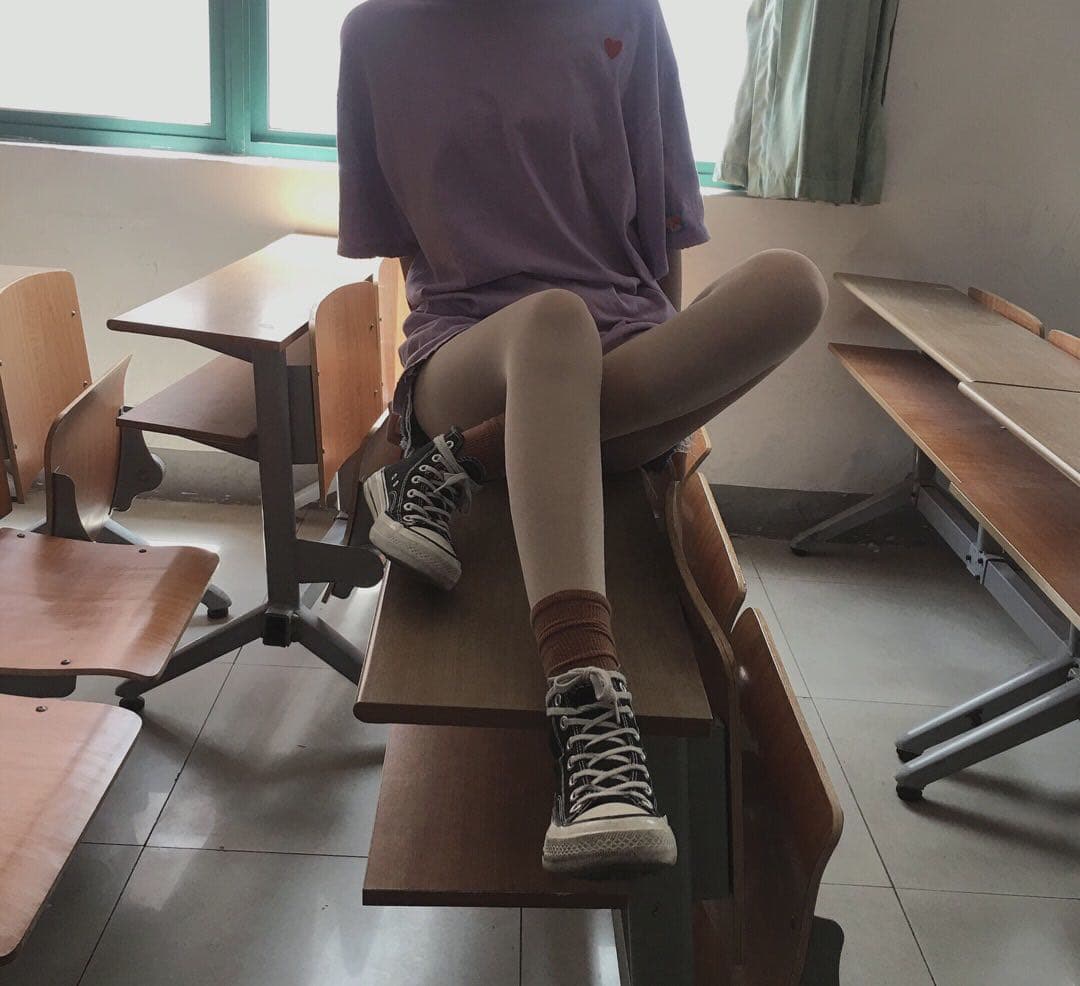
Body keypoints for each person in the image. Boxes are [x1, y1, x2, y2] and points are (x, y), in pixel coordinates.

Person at [337, 0, 827, 878]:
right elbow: (398, 244)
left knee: (794, 286)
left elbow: (666, 221)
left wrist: (667, 381)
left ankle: (461, 463)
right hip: (467, 351)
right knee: (554, 323)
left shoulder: (626, 16)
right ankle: (588, 703)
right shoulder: (376, 32)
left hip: (615, 356)